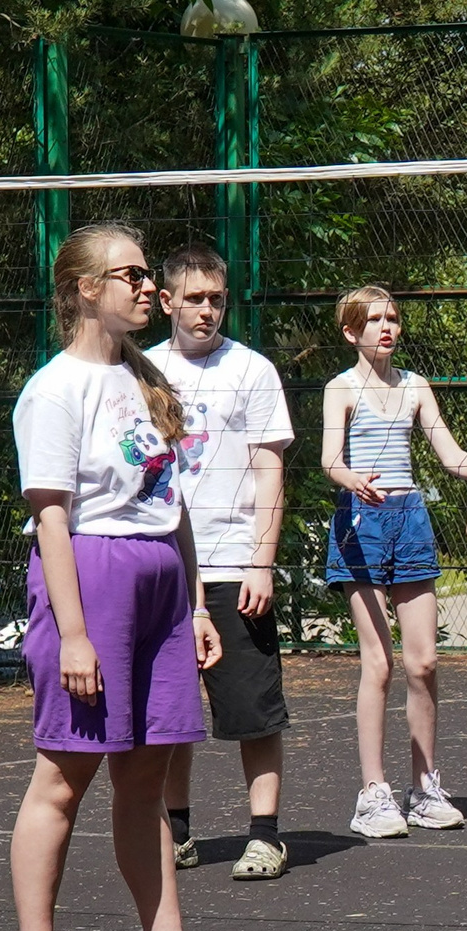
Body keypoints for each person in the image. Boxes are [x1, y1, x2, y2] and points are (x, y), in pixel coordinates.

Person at [6, 221, 256, 931]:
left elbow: (169, 506)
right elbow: (53, 519)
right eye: (133, 275)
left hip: (156, 582)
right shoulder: (54, 390)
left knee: (146, 779)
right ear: (87, 288)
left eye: (148, 275)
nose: (149, 286)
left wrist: (192, 606)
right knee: (65, 773)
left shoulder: (146, 380)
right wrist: (74, 632)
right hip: (91, 575)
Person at [321, 286, 467, 838]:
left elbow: (449, 453)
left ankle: (424, 787)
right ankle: (373, 795)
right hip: (360, 521)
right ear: (350, 331)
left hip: (409, 519)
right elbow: (331, 458)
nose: (386, 327)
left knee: (424, 663)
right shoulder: (342, 388)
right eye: (374, 319)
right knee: (378, 664)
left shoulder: (415, 387)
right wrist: (351, 479)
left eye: (392, 318)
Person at [147, 244, 298, 881]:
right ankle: (177, 831)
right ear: (167, 302)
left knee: (252, 709)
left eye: (217, 298)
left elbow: (270, 469)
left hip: (236, 561)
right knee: (170, 713)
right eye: (195, 299)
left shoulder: (254, 371)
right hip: (162, 564)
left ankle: (265, 835)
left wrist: (262, 563)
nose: (207, 310)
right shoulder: (139, 370)